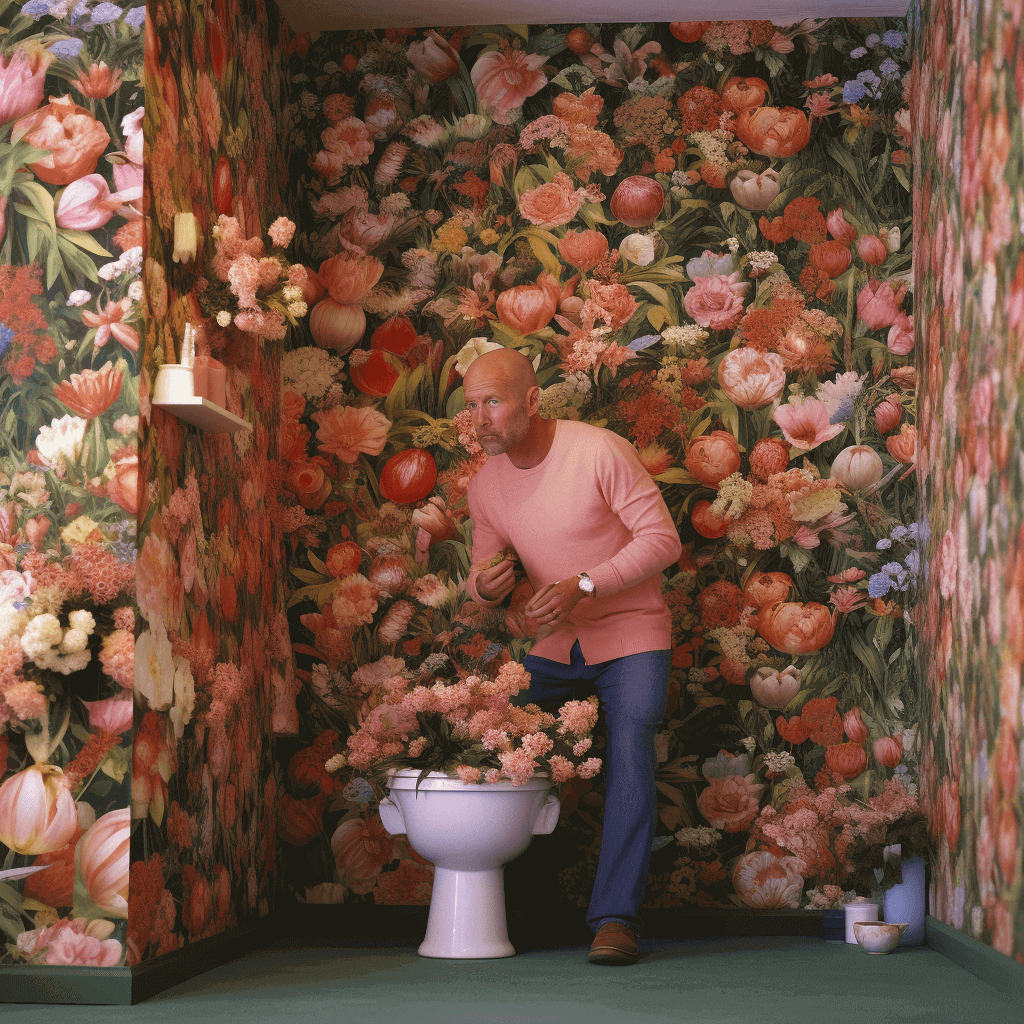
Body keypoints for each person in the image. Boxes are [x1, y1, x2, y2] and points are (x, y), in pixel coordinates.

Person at [463, 347, 682, 966]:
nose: (480, 419)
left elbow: (663, 541)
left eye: (494, 402)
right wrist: (493, 595)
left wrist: (584, 584)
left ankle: (615, 920)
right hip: (555, 646)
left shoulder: (598, 450)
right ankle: (516, 912)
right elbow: (484, 583)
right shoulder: (485, 485)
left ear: (532, 401)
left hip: (633, 632)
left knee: (632, 744)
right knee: (500, 746)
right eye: (471, 405)